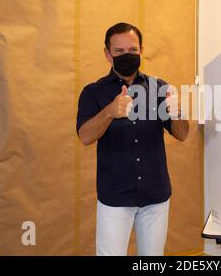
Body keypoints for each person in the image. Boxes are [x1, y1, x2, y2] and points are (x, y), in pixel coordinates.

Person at [76, 22, 189, 256]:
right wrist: (109, 111)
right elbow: (85, 136)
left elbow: (182, 134)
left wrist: (177, 111)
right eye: (119, 51)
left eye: (132, 50)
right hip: (115, 198)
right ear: (107, 54)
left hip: (155, 197)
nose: (127, 55)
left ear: (141, 51)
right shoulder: (93, 92)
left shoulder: (160, 88)